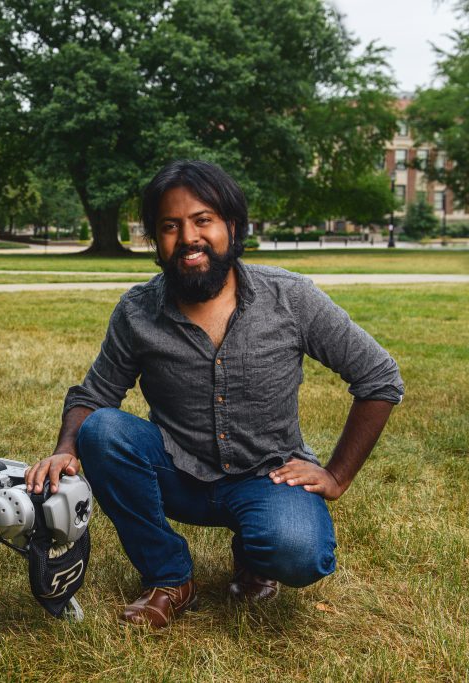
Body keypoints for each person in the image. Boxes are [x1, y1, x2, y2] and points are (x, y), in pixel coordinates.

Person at [24, 160, 404, 628]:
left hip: (270, 476)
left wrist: (338, 475)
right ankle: (169, 577)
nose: (188, 238)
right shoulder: (137, 311)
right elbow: (95, 393)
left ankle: (256, 553)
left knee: (300, 553)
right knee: (101, 431)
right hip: (176, 474)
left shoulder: (291, 298)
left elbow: (379, 377)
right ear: (156, 240)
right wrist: (65, 450)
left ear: (232, 226)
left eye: (203, 220)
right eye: (170, 226)